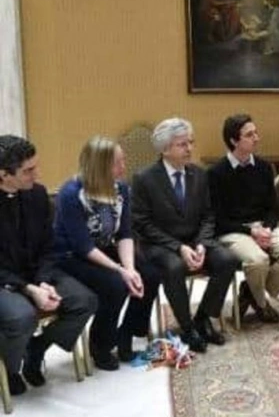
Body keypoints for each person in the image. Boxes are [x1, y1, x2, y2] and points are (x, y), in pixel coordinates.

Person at [132, 117, 239, 353]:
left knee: (228, 260)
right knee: (174, 267)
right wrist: (179, 247)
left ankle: (203, 318)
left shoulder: (199, 174)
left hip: (194, 239)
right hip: (160, 244)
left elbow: (208, 215)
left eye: (191, 142)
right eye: (182, 144)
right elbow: (143, 224)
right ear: (165, 149)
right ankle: (187, 327)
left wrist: (201, 244)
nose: (189, 148)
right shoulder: (144, 179)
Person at [54, 136, 161, 370]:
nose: (124, 167)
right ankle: (100, 345)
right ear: (99, 166)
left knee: (149, 275)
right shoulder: (71, 194)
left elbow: (124, 233)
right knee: (115, 285)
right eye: (117, 163)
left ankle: (127, 333)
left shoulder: (121, 188)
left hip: (102, 246)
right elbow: (83, 246)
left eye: (123, 160)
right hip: (71, 256)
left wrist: (130, 268)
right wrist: (120, 271)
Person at [0, 135, 96, 394]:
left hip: (37, 273)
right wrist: (29, 289)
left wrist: (42, 280)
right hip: (5, 281)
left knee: (84, 301)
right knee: (22, 317)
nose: (37, 174)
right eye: (28, 170)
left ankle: (37, 348)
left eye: (36, 167)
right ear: (4, 175)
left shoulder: (38, 194)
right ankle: (9, 369)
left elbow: (48, 247)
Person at [208, 114, 279, 323]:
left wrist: (267, 229)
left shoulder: (264, 167)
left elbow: (273, 208)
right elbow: (218, 220)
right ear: (234, 140)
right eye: (249, 135)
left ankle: (251, 292)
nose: (256, 138)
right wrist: (251, 232)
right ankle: (261, 303)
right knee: (258, 261)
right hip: (234, 231)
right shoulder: (216, 173)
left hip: (264, 227)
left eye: (256, 133)